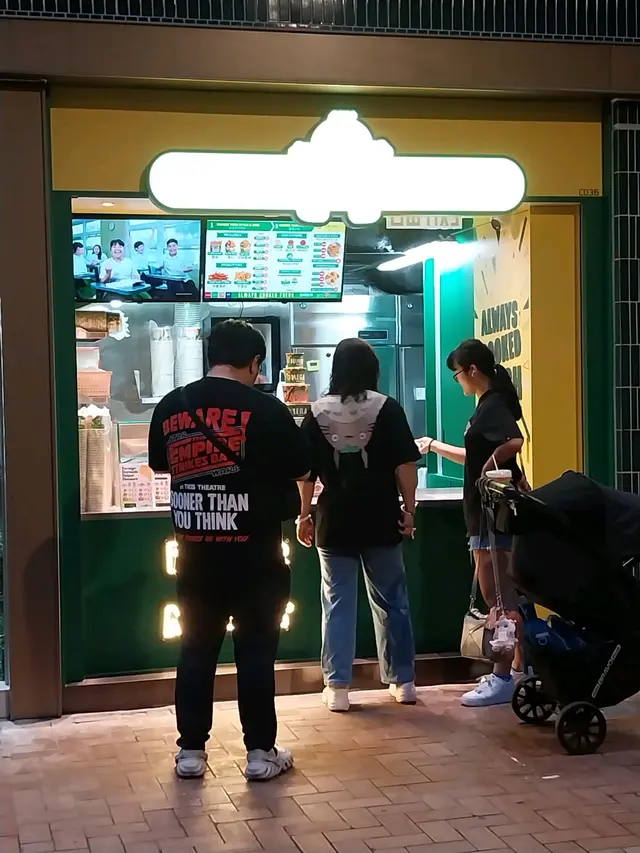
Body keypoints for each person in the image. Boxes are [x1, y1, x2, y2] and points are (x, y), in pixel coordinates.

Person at [148, 319, 310, 782]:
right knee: (255, 652)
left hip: (195, 554)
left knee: (196, 649)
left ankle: (190, 752)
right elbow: (303, 469)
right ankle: (259, 753)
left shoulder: (171, 406)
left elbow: (161, 465)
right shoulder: (268, 409)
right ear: (255, 363)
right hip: (256, 555)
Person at [297, 338, 420, 713]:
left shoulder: (316, 411)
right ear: (372, 369)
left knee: (337, 603)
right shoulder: (388, 408)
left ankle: (337, 687)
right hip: (381, 515)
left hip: (334, 519)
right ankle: (403, 681)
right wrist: (409, 509)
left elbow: (305, 474)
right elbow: (405, 465)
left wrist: (304, 514)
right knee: (392, 600)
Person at [416, 338, 526, 708]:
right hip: (486, 516)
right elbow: (475, 455)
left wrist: (491, 463)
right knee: (506, 597)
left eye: (458, 374)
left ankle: (501, 677)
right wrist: (434, 445)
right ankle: (519, 670)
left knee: (499, 599)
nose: (459, 381)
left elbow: (514, 441)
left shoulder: (492, 404)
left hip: (491, 517)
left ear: (473, 370)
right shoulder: (486, 406)